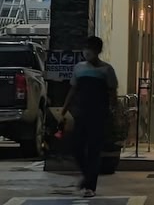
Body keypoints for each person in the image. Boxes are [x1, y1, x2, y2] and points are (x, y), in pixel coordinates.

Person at [60, 36, 118, 198]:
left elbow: (112, 93)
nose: (87, 52)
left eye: (91, 49)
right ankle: (87, 176)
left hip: (99, 115)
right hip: (81, 114)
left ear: (98, 51)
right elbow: (73, 90)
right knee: (76, 147)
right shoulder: (79, 68)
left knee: (94, 151)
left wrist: (113, 113)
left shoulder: (106, 70)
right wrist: (64, 110)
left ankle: (90, 186)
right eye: (86, 48)